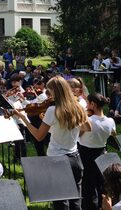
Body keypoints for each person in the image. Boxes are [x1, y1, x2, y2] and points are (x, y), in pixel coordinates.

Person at [14, 76, 91, 210]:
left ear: (55, 92)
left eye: (50, 91)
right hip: (75, 159)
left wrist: (24, 119)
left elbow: (38, 136)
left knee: (61, 203)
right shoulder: (78, 107)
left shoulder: (52, 111)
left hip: (57, 160)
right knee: (76, 202)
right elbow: (87, 128)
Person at [79, 93, 116, 210]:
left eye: (88, 104)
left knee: (88, 187)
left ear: (92, 104)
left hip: (86, 155)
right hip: (101, 154)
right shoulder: (110, 121)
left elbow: (77, 135)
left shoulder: (88, 121)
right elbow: (113, 133)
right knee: (101, 184)